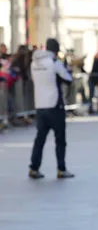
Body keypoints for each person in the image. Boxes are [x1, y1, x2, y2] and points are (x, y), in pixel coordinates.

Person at [28, 38, 74, 179]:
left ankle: (34, 168)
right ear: (55, 50)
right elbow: (68, 78)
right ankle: (61, 169)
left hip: (40, 105)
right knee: (60, 139)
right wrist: (68, 69)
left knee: (40, 139)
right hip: (55, 105)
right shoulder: (54, 62)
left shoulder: (34, 63)